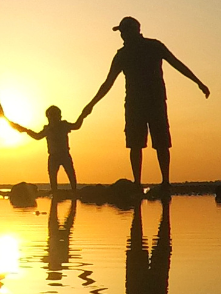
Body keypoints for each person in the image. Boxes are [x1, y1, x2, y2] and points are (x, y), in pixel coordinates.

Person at [79, 16, 209, 188]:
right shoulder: (124, 54)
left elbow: (176, 64)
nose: (122, 35)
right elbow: (108, 83)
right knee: (136, 144)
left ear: (135, 30)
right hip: (136, 104)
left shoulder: (152, 47)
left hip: (152, 102)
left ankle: (164, 182)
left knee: (160, 143)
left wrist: (198, 82)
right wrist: (91, 105)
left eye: (124, 31)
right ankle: (139, 183)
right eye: (121, 32)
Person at [9, 105, 85, 195]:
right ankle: (55, 193)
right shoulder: (47, 129)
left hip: (64, 154)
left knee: (71, 175)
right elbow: (37, 136)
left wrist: (83, 115)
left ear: (59, 116)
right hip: (53, 156)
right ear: (48, 117)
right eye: (51, 116)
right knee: (53, 178)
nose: (53, 118)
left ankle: (73, 192)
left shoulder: (64, 125)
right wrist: (25, 130)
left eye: (55, 115)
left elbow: (76, 126)